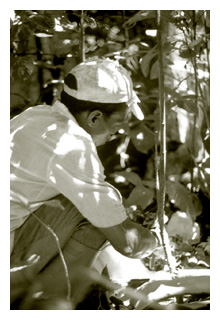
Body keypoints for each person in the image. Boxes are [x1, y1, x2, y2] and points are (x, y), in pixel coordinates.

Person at [10, 57, 158, 308]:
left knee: (95, 206)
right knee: (94, 214)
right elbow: (129, 244)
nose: (119, 131)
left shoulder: (34, 116)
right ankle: (46, 307)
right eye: (118, 123)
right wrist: (153, 240)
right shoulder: (72, 145)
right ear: (95, 117)